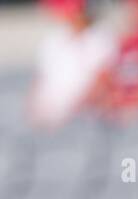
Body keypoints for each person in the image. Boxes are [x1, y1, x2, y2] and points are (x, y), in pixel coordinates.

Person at [29, 0, 117, 128]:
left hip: (83, 121)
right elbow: (39, 84)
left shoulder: (102, 37)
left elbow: (101, 84)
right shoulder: (53, 41)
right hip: (52, 121)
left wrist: (68, 116)